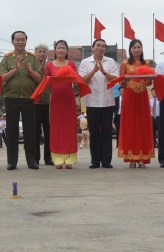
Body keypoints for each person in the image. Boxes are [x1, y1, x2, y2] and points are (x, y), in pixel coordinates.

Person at [0, 31, 43, 170]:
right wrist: (15, 69)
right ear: (12, 42)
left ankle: (31, 160)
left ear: (26, 42)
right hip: (11, 98)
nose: (20, 42)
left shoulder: (33, 58)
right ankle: (12, 161)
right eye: (17, 40)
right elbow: (1, 79)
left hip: (29, 98)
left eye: (23, 39)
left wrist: (29, 69)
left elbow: (40, 79)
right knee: (12, 131)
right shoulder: (7, 58)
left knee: (30, 130)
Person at [79, 39, 119, 168]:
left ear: (105, 49)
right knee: (94, 131)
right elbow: (82, 80)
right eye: (98, 45)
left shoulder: (110, 62)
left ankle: (106, 161)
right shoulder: (85, 62)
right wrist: (94, 71)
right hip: (92, 101)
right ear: (93, 48)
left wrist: (103, 71)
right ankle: (95, 160)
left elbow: (115, 79)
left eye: (103, 46)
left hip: (108, 101)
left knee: (107, 131)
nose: (100, 48)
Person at [117, 39, 155, 168]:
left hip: (143, 96)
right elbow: (121, 82)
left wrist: (150, 78)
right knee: (130, 125)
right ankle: (131, 157)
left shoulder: (147, 63)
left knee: (143, 124)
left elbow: (148, 83)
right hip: (129, 96)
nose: (136, 49)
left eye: (139, 47)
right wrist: (126, 80)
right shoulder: (125, 63)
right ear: (130, 49)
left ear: (142, 49)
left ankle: (142, 158)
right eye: (134, 47)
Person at [44, 40, 79, 168]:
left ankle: (69, 158)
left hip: (69, 96)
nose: (61, 50)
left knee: (69, 126)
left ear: (67, 51)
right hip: (56, 97)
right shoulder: (49, 66)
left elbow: (75, 81)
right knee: (56, 127)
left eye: (63, 48)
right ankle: (58, 159)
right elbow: (46, 82)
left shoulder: (71, 64)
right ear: (55, 50)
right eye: (58, 48)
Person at [34, 43, 53, 166]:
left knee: (49, 132)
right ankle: (35, 158)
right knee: (35, 133)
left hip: (48, 103)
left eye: (44, 52)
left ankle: (48, 157)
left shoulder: (50, 67)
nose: (42, 54)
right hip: (35, 103)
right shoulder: (31, 66)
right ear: (35, 53)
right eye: (39, 51)